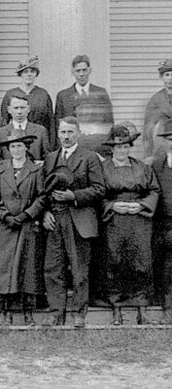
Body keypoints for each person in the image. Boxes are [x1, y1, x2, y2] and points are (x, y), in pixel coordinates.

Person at [42, 117, 105, 328]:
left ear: (78, 133)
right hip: (55, 219)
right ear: (58, 134)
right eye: (63, 132)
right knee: (53, 267)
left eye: (70, 132)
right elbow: (44, 192)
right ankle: (55, 312)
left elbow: (99, 189)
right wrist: (45, 213)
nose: (66, 137)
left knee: (79, 269)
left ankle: (79, 313)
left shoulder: (89, 158)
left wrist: (74, 195)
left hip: (79, 219)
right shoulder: (50, 158)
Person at [0, 132, 46, 326]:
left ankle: (28, 312)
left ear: (26, 147)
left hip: (28, 226)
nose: (16, 150)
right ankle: (7, 312)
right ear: (8, 150)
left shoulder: (36, 170)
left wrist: (26, 215)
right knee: (3, 269)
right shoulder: (0, 170)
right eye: (12, 147)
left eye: (19, 146)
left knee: (28, 270)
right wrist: (7, 216)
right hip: (6, 227)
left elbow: (42, 197)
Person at [100, 125, 159, 325]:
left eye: (126, 147)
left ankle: (142, 308)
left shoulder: (142, 167)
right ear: (112, 148)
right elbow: (97, 194)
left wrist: (140, 205)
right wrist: (112, 205)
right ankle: (117, 309)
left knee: (140, 260)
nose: (122, 151)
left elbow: (153, 191)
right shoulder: (103, 169)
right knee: (114, 261)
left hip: (138, 220)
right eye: (118, 147)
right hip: (114, 222)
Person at [54, 55, 114, 155]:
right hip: (72, 149)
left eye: (84, 70)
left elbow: (109, 123)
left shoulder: (100, 93)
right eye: (78, 71)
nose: (81, 74)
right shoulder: (63, 96)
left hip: (97, 149)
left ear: (89, 70)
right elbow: (58, 125)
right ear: (72, 72)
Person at [0, 56, 56, 146]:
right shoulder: (10, 94)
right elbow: (4, 121)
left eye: (32, 71)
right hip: (16, 139)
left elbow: (51, 123)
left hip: (38, 138)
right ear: (20, 74)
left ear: (36, 74)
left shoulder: (43, 94)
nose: (29, 74)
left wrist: (51, 144)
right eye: (25, 72)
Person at [152, 119, 172, 324]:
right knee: (166, 269)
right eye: (170, 139)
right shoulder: (157, 164)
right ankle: (168, 310)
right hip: (164, 225)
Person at [0, 94, 51, 162]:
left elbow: (47, 158)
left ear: (28, 109)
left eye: (22, 108)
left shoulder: (40, 131)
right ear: (9, 110)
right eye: (16, 108)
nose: (19, 112)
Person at [144, 59, 172, 160]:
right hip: (162, 149)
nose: (170, 78)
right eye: (167, 75)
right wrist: (149, 155)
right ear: (162, 77)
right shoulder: (156, 100)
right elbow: (148, 130)